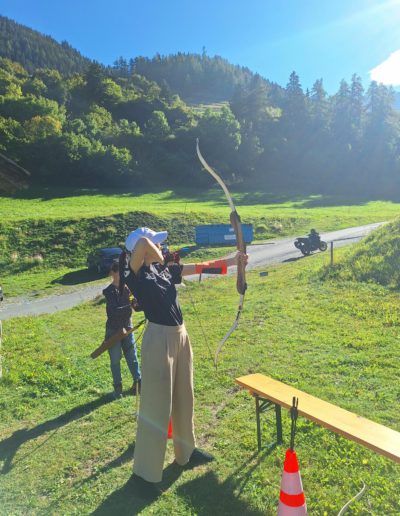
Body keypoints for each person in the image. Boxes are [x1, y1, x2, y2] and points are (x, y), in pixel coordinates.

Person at [120, 227, 247, 484]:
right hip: (159, 340)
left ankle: (186, 451)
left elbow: (201, 267)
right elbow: (143, 242)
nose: (161, 247)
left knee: (184, 396)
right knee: (156, 406)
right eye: (158, 244)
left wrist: (235, 261)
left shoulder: (163, 269)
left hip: (180, 335)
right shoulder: (134, 274)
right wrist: (159, 255)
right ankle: (145, 474)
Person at [103, 261, 141, 399]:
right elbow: (114, 311)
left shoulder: (128, 289)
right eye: (119, 272)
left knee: (132, 357)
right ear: (113, 273)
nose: (122, 275)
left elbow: (136, 306)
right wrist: (129, 306)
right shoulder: (108, 291)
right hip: (113, 330)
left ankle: (138, 383)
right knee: (115, 359)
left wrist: (144, 302)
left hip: (128, 327)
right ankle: (118, 389)